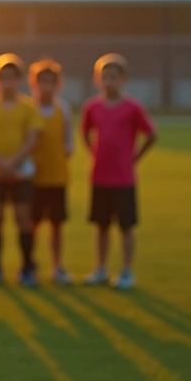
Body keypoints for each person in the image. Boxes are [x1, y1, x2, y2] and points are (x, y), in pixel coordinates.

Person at [82, 53, 156, 290]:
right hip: (100, 177)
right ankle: (101, 269)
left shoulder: (132, 108)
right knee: (101, 226)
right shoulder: (92, 107)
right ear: (97, 79)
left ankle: (126, 271)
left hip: (123, 178)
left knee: (125, 227)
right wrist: (94, 153)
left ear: (124, 79)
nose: (109, 82)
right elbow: (85, 132)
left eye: (113, 77)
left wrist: (135, 158)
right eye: (104, 77)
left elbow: (151, 134)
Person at [0, 54, 44, 288]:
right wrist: (1, 164)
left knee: (23, 219)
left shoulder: (28, 107)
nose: (7, 83)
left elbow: (32, 139)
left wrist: (12, 163)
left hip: (20, 173)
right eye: (3, 77)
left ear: (20, 80)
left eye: (12, 78)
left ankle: (27, 269)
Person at [29, 58, 74, 285]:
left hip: (57, 177)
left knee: (57, 225)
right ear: (34, 84)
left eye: (51, 82)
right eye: (42, 82)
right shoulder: (29, 109)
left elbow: (68, 144)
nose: (46, 87)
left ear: (58, 84)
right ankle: (29, 265)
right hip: (34, 179)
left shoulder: (62, 109)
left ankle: (57, 266)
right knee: (32, 224)